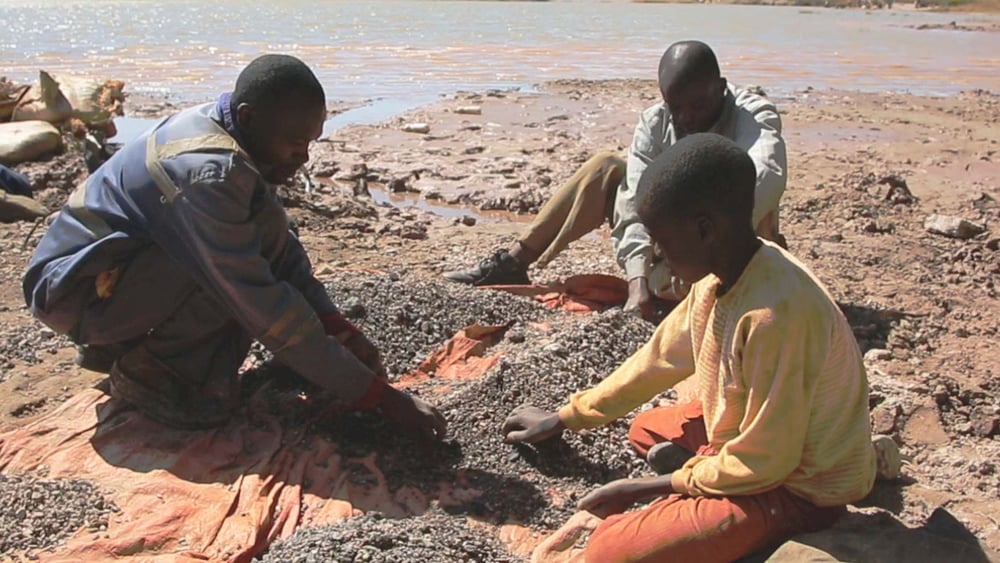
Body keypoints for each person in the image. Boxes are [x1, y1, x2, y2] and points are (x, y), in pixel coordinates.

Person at [502, 133, 892, 562]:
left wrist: (651, 487)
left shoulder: (774, 316)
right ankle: (707, 477)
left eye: (662, 241)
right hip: (758, 442)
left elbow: (768, 463)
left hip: (798, 486)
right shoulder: (717, 278)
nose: (656, 253)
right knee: (645, 429)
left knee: (610, 550)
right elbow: (657, 360)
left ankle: (732, 503)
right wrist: (566, 417)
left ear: (705, 230)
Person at [23, 55, 447, 439]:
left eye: (310, 143)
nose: (304, 157)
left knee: (261, 229)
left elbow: (279, 247)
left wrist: (334, 324)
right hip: (76, 293)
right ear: (248, 117)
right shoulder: (207, 172)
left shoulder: (230, 134)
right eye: (296, 143)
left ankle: (139, 346)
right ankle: (151, 373)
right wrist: (380, 397)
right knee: (225, 281)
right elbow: (258, 300)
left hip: (117, 274)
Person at [445, 40, 786, 321]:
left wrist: (694, 244)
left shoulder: (752, 114)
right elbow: (637, 200)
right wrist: (636, 279)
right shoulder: (656, 122)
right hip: (669, 249)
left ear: (721, 88)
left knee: (737, 208)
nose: (686, 117)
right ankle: (514, 262)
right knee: (607, 167)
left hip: (723, 244)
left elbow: (763, 179)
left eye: (697, 105)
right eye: (676, 107)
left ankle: (700, 289)